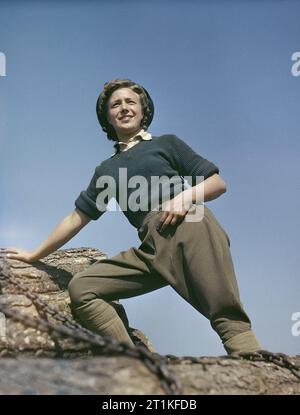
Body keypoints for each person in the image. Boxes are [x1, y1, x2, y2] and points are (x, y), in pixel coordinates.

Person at [0, 79, 260, 354]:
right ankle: (131, 362)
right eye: (116, 104)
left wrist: (185, 197)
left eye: (130, 102)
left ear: (142, 110)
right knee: (83, 289)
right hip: (151, 245)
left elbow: (218, 183)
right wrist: (34, 255)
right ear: (107, 117)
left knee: (223, 309)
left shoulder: (167, 144)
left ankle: (253, 363)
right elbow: (76, 218)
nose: (124, 108)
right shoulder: (107, 170)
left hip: (190, 224)